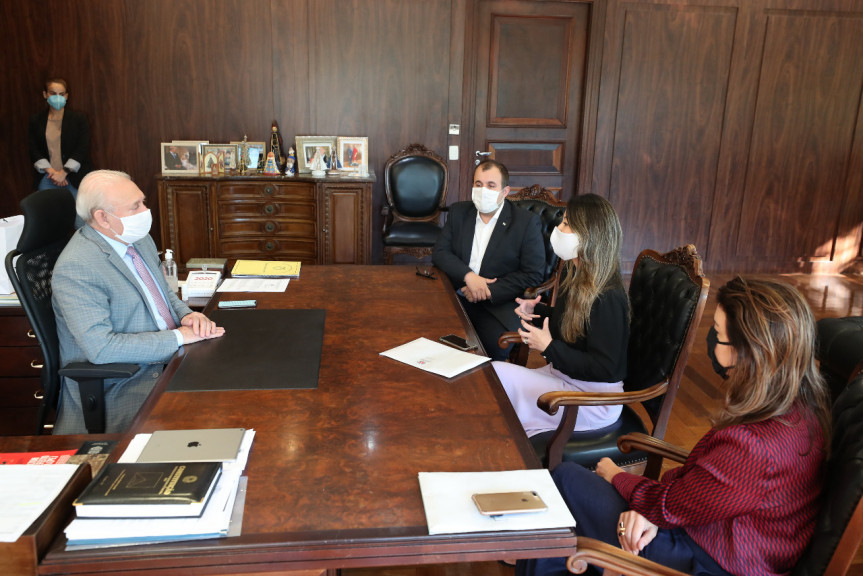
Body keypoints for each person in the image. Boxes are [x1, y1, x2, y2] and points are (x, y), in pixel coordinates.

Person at [518, 277, 832, 576]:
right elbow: (693, 495)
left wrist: (618, 476)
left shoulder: (753, 446)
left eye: (717, 333)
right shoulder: (800, 408)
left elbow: (673, 505)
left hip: (710, 561)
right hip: (714, 529)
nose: (711, 339)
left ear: (748, 352)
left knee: (563, 481)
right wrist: (653, 512)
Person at [52, 170, 226, 434]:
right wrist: (178, 338)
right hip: (127, 383)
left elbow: (164, 293)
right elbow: (102, 349)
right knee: (222, 412)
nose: (145, 211)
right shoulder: (77, 266)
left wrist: (186, 315)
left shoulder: (135, 238)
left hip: (171, 356)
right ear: (102, 217)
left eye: (142, 202)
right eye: (136, 206)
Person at [493, 194, 629, 436]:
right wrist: (537, 310)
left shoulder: (609, 296)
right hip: (565, 378)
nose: (558, 228)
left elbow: (606, 368)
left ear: (588, 235)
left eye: (566, 224)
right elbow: (576, 328)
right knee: (494, 377)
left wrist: (548, 347)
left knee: (498, 376)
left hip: (593, 400)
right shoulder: (576, 274)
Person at [432, 159, 545, 361]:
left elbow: (533, 273)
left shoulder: (525, 223)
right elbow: (440, 252)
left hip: (497, 303)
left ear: (505, 191)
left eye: (491, 185)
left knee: (494, 346)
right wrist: (469, 277)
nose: (483, 190)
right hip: (456, 293)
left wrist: (487, 290)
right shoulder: (459, 212)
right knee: (429, 333)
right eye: (478, 184)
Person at [28, 78, 94, 206]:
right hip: (48, 178)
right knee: (51, 218)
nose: (57, 97)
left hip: (75, 177)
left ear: (67, 96)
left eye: (61, 94)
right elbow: (33, 149)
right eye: (53, 93)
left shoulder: (78, 119)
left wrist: (63, 173)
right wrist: (53, 173)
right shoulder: (36, 120)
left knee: (80, 219)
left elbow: (82, 148)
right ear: (45, 94)